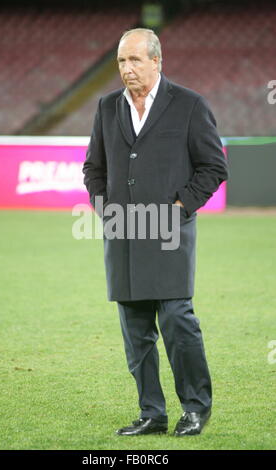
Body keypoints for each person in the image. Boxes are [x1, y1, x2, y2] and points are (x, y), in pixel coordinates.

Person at [83, 28, 228, 437]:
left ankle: (196, 409)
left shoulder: (189, 105)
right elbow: (94, 168)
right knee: (136, 332)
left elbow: (214, 168)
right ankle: (152, 413)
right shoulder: (107, 107)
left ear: (156, 61)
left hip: (169, 235)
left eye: (134, 60)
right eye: (121, 62)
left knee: (179, 322)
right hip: (123, 237)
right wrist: (102, 206)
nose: (127, 69)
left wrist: (180, 208)